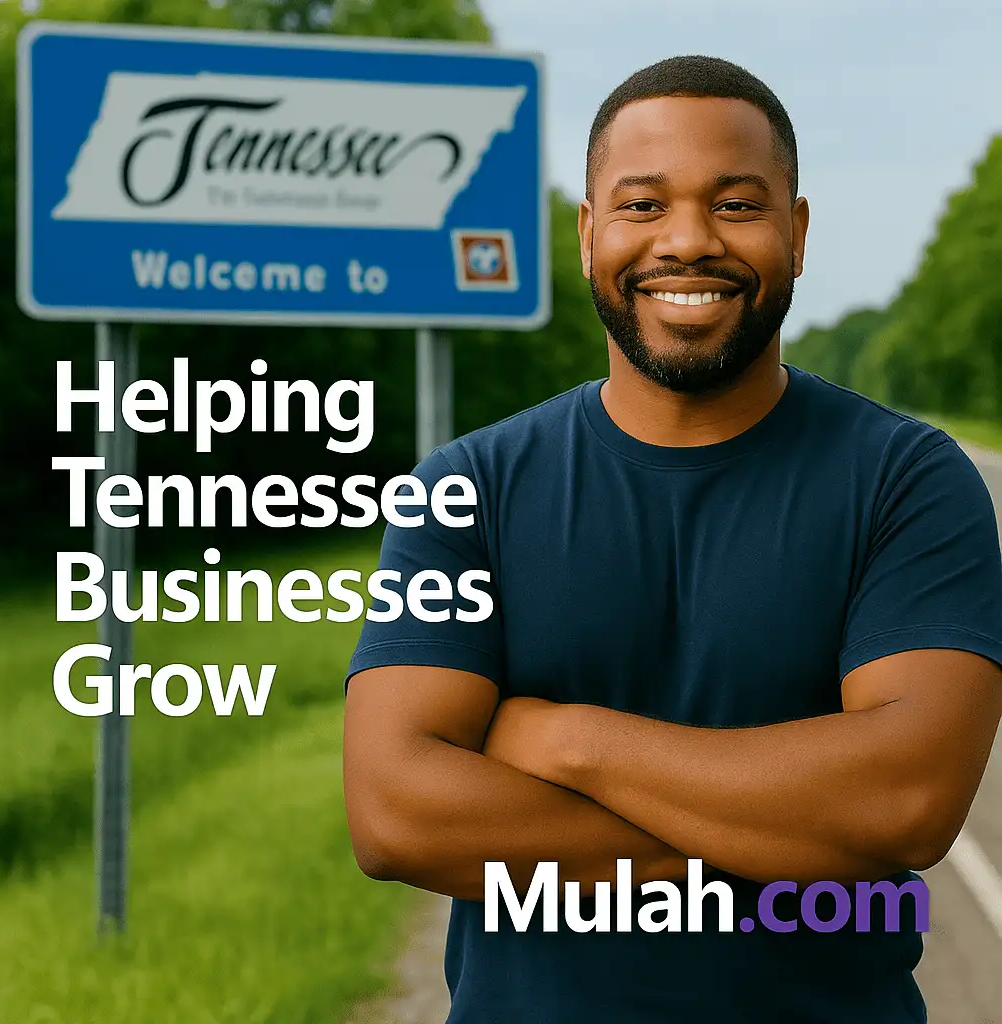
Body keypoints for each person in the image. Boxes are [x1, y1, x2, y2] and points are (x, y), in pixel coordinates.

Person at [342, 55, 1002, 1023]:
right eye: (643, 205)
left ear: (798, 230)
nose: (687, 241)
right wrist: (779, 837)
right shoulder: (468, 488)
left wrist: (565, 739)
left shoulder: (906, 479)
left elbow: (904, 802)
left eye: (736, 205)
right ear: (588, 234)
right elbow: (396, 813)